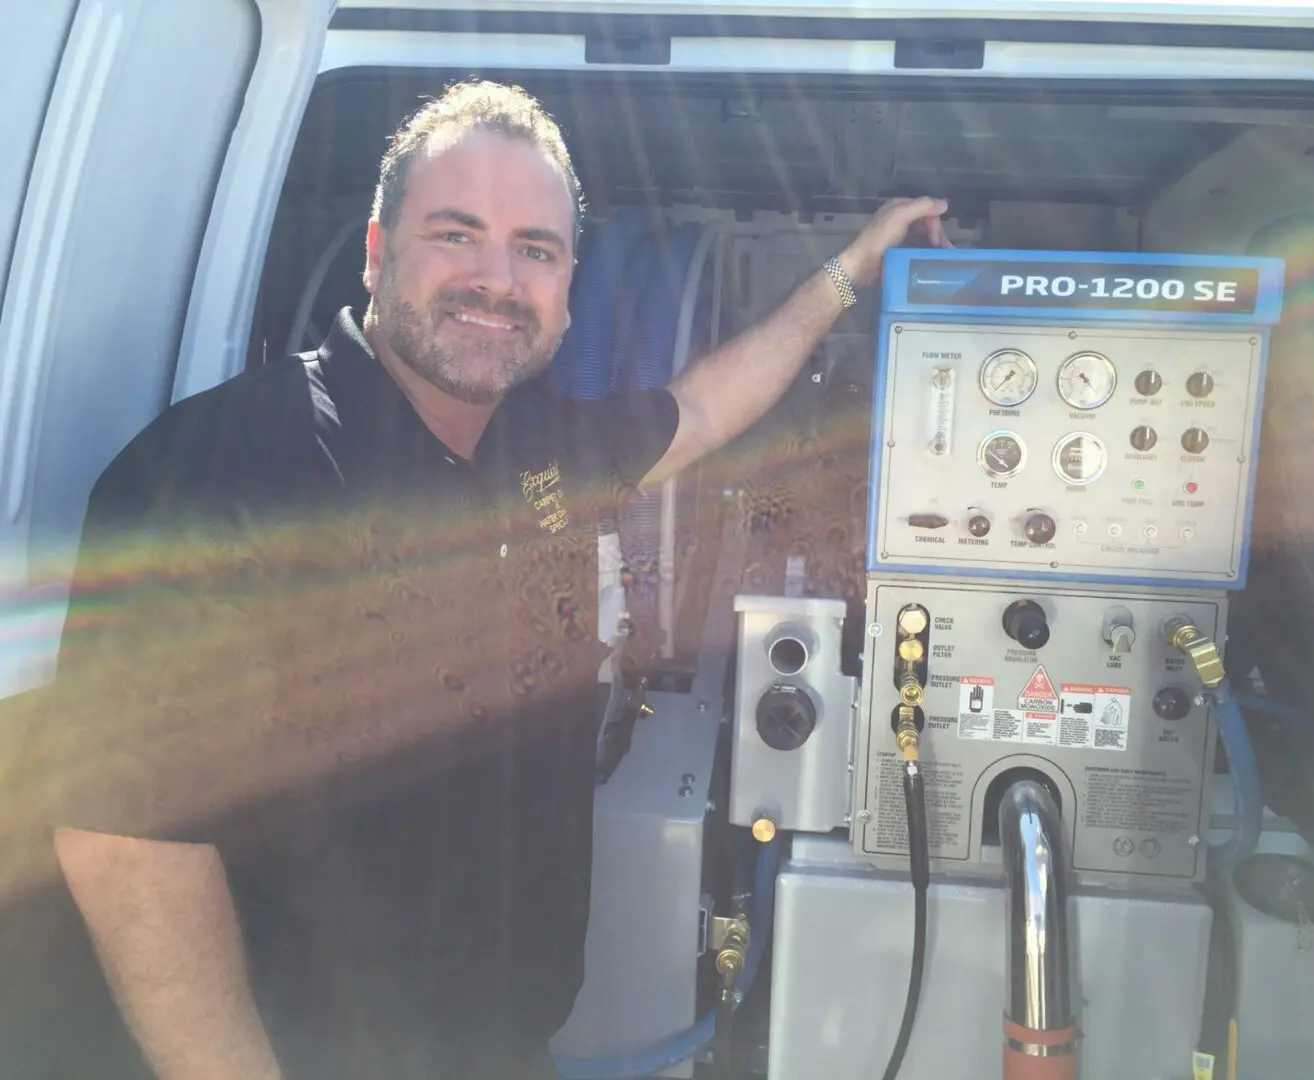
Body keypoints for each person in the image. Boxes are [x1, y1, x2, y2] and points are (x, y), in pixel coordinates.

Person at [27, 80, 950, 1080]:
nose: (496, 279)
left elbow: (701, 410)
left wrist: (850, 271)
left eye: (535, 251)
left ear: (565, 287)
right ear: (379, 253)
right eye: (456, 235)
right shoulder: (224, 472)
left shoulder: (538, 446)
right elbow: (127, 844)